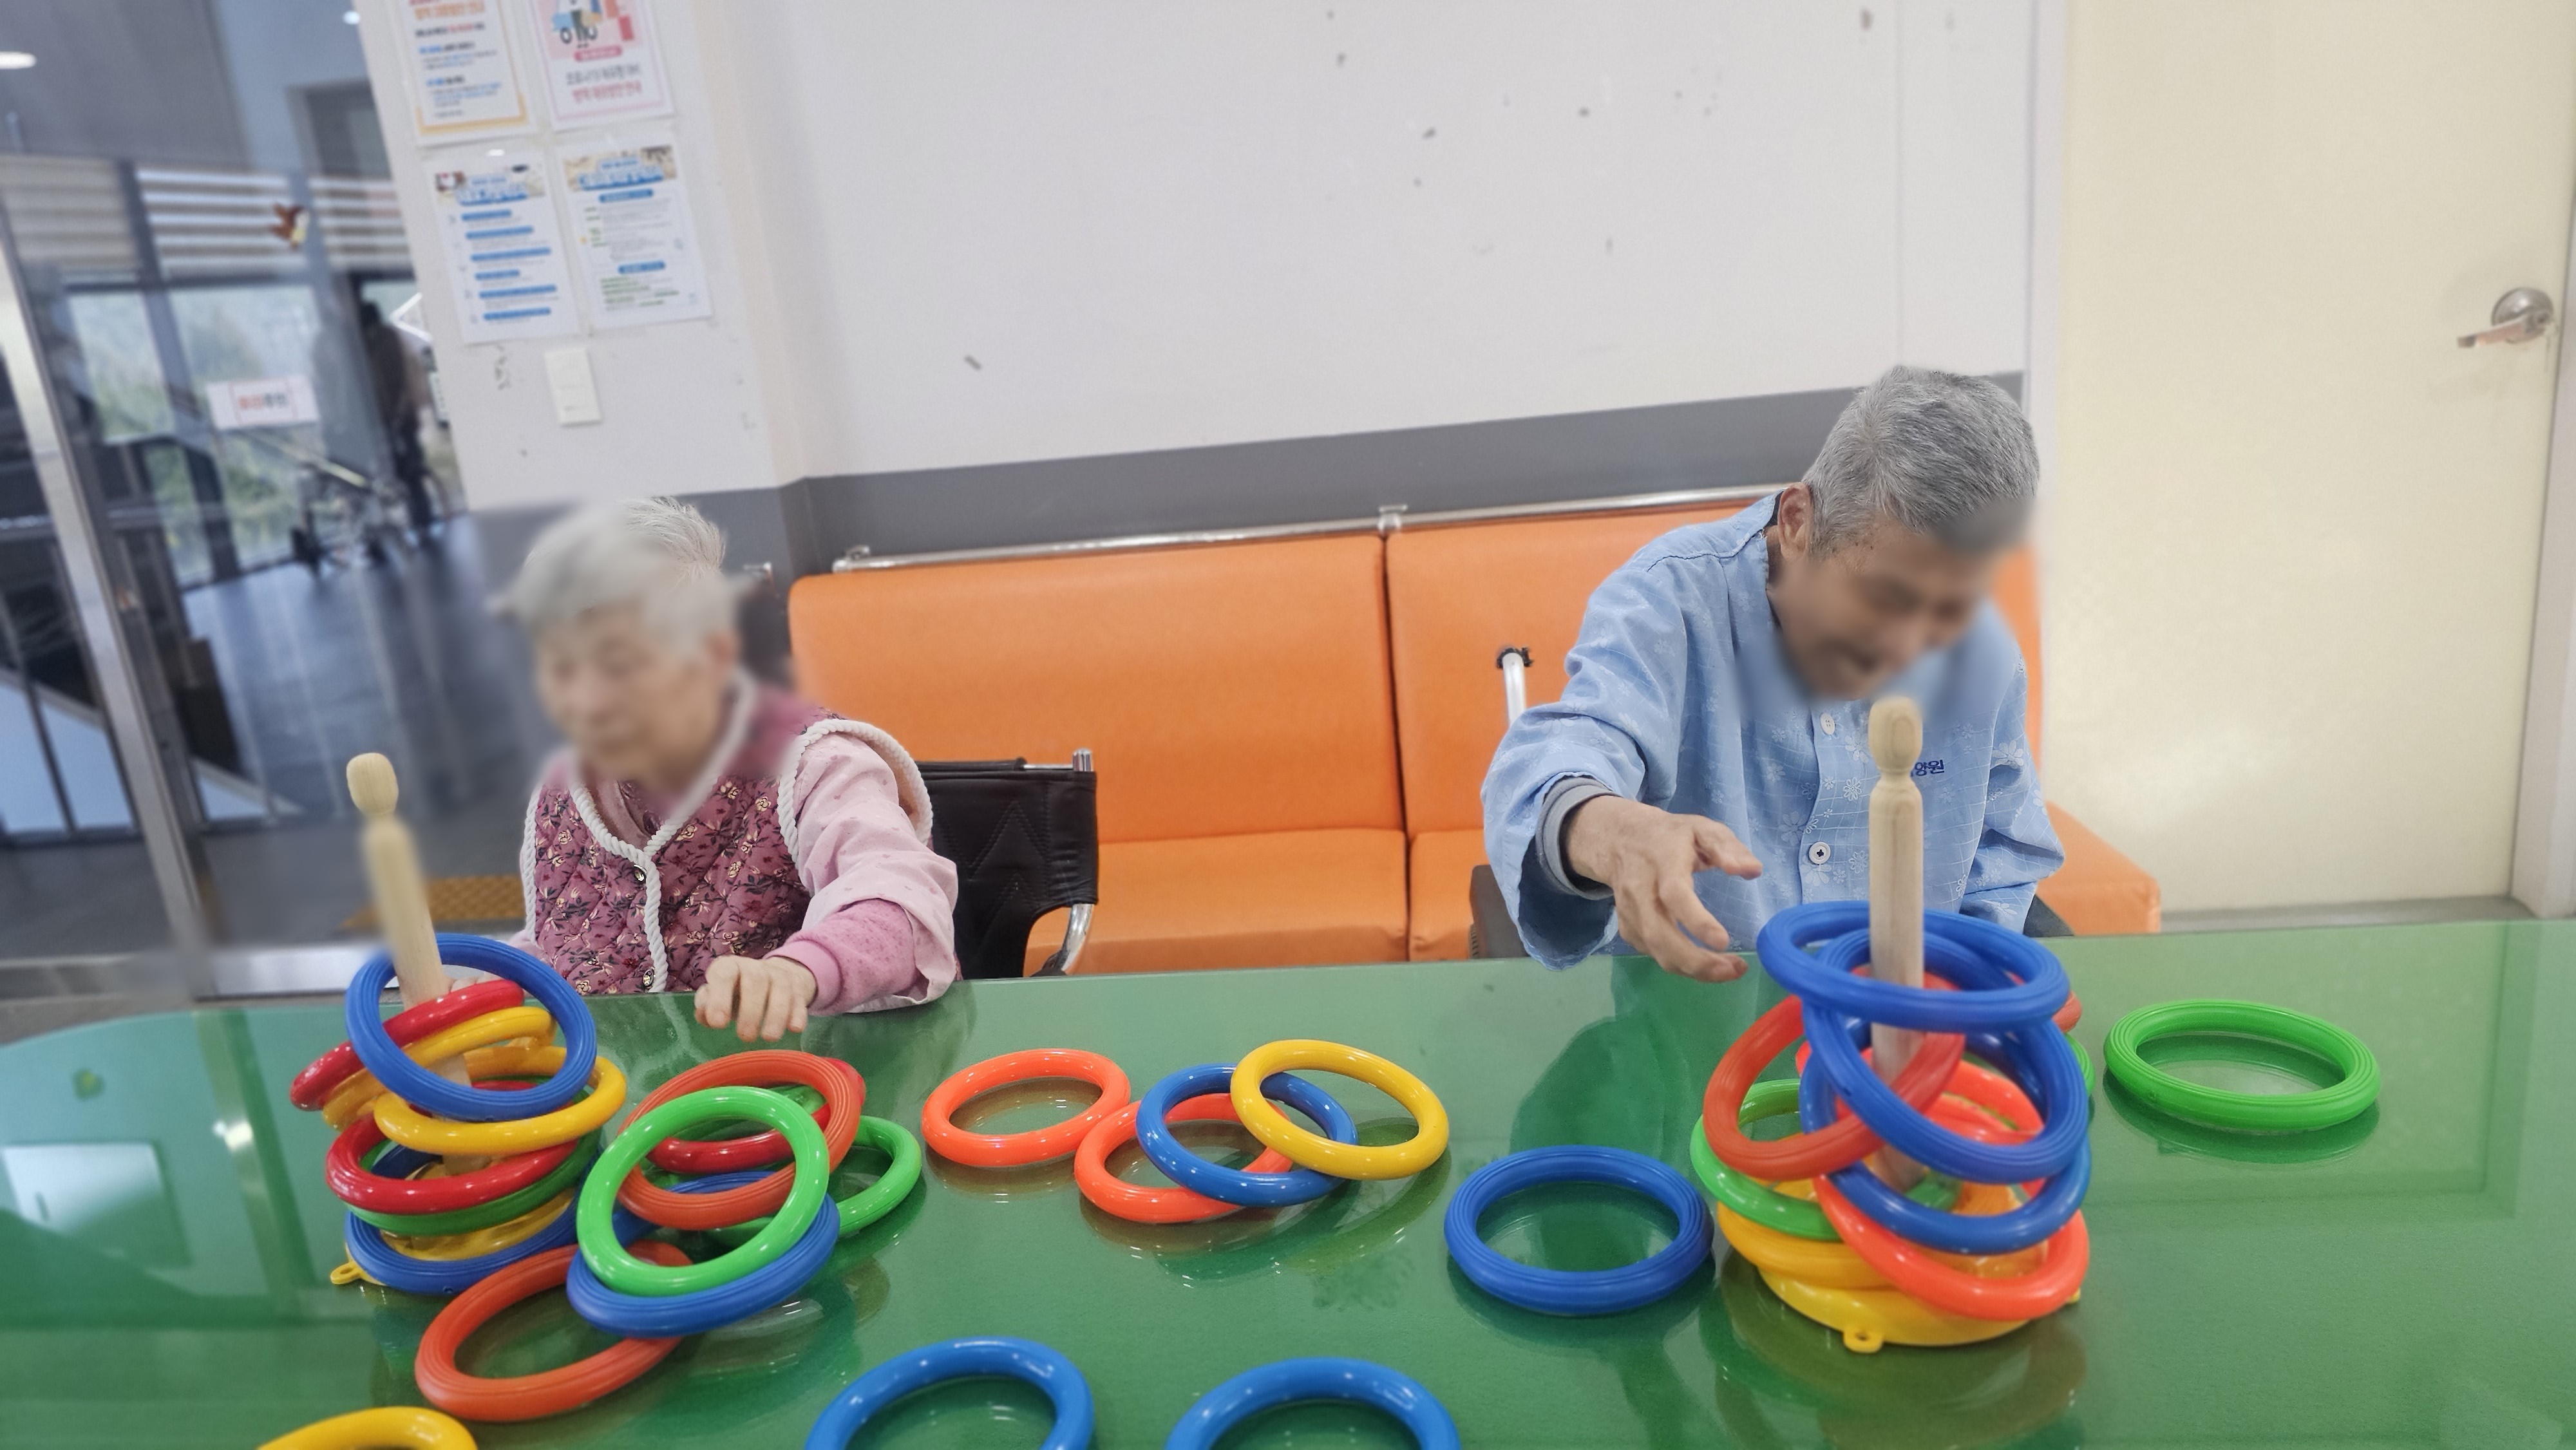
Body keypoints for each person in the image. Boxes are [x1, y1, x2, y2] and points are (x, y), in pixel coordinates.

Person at [1482, 365, 2063, 980]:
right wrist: (1607, 828)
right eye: (1884, 597)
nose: (1908, 649)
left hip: (1910, 1013)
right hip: (1696, 1010)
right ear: (1797, 522)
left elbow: (2004, 857)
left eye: (1952, 607)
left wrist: (1952, 992)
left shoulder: (1984, 654)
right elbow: (1573, 745)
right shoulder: (1669, 600)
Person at [503, 498, 959, 1037]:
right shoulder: (564, 792)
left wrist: (797, 972)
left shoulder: (816, 765)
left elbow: (900, 898)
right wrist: (495, 984)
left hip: (814, 1071)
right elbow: (560, 943)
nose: (587, 701)